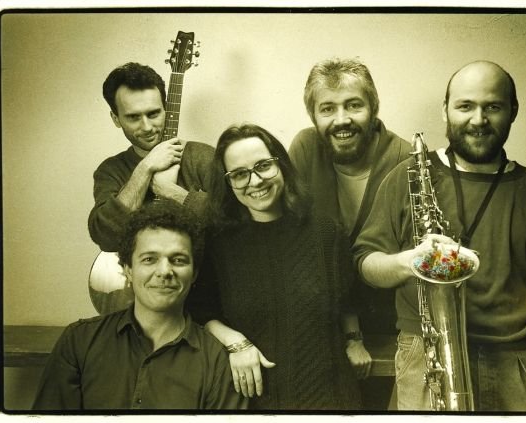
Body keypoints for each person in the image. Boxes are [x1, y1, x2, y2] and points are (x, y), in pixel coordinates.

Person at [352, 60, 526, 411]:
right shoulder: (407, 176)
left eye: (493, 107)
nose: (478, 120)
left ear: (513, 111)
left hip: (518, 364)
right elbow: (366, 263)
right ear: (446, 110)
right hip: (429, 358)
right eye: (465, 106)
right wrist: (410, 262)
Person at [194, 123, 370, 410]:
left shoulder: (325, 232)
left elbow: (348, 298)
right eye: (239, 174)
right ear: (227, 182)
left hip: (328, 394)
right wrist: (236, 343)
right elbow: (202, 312)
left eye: (263, 166)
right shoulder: (216, 242)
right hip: (251, 399)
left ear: (281, 165)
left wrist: (354, 339)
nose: (255, 181)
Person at [33, 201, 247, 410]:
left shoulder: (217, 361)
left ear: (194, 274)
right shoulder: (79, 341)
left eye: (178, 260)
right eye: (149, 259)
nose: (164, 271)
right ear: (128, 269)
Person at [288, 57, 413, 408]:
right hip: (321, 321)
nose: (341, 120)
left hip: (387, 324)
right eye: (327, 108)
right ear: (313, 115)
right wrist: (347, 331)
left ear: (373, 108)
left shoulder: (404, 157)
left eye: (353, 105)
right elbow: (296, 245)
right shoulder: (304, 149)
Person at [88, 62, 214, 252]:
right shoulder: (111, 170)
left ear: (166, 109)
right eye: (133, 117)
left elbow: (237, 218)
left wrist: (172, 192)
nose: (147, 127)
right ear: (116, 119)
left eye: (153, 113)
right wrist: (145, 168)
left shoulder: (201, 156)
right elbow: (106, 237)